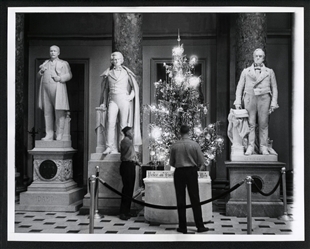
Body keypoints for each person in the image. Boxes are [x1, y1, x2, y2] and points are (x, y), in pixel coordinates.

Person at [234, 48, 278, 155]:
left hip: (264, 98)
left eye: (260, 56)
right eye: (256, 56)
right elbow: (239, 87)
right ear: (253, 57)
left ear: (263, 58)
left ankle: (263, 147)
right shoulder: (246, 71)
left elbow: (274, 88)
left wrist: (273, 103)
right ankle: (250, 146)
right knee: (251, 123)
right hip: (250, 98)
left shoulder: (269, 72)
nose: (258, 58)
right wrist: (238, 102)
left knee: (264, 124)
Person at [99, 52, 142, 154]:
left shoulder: (127, 73)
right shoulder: (108, 73)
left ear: (122, 60)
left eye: (117, 59)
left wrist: (130, 96)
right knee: (110, 123)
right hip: (112, 100)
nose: (116, 61)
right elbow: (104, 90)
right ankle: (110, 146)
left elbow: (135, 87)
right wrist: (103, 102)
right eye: (113, 60)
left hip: (123, 99)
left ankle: (121, 147)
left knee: (123, 125)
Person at [169, 125, 209, 234]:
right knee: (195, 198)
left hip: (179, 172)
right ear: (189, 132)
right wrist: (196, 169)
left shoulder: (174, 145)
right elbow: (201, 162)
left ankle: (182, 226)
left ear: (179, 132)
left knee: (180, 199)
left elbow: (171, 163)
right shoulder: (194, 145)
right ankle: (200, 226)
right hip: (191, 171)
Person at [38, 45, 72, 141]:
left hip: (57, 89)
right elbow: (38, 77)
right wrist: (41, 72)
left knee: (59, 112)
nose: (52, 53)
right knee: (47, 112)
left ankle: (59, 134)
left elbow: (69, 75)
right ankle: (49, 134)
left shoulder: (63, 63)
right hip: (45, 89)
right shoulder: (45, 63)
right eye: (51, 51)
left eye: (54, 51)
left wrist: (60, 78)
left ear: (58, 53)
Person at [119, 126, 140, 220]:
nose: (133, 134)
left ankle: (127, 211)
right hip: (127, 166)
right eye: (132, 132)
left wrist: (136, 161)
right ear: (127, 133)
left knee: (130, 189)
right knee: (127, 189)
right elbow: (130, 155)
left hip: (130, 165)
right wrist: (136, 160)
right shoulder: (125, 141)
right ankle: (123, 212)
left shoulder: (129, 142)